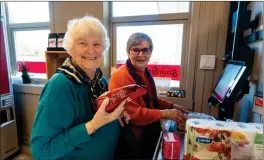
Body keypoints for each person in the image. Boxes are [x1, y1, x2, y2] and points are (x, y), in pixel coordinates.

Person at [30, 15, 130, 160]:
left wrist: (117, 115)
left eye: (97, 44)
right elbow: (41, 151)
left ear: (104, 49)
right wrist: (93, 125)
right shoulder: (60, 86)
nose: (91, 50)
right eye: (82, 43)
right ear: (70, 48)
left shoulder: (100, 80)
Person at [109, 32, 188, 159]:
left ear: (151, 52)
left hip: (147, 132)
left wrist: (172, 105)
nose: (141, 55)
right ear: (128, 51)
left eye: (146, 50)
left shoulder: (143, 71)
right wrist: (166, 113)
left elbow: (150, 99)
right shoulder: (121, 77)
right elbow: (135, 114)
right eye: (136, 50)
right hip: (132, 138)